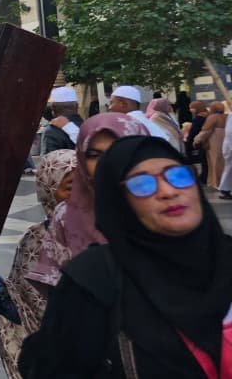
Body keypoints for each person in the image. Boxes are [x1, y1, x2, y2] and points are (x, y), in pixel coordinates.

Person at [19, 136, 232, 377]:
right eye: (142, 184)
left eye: (178, 176)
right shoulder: (96, 279)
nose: (168, 191)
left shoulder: (225, 256)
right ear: (119, 201)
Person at [28, 113, 150, 289]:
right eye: (94, 155)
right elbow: (57, 290)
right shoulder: (67, 215)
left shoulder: (166, 201)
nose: (107, 162)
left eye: (120, 149)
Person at [0, 149, 76, 377]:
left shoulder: (109, 234)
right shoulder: (36, 240)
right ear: (49, 190)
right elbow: (20, 304)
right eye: (70, 186)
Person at [197, 101, 228, 190]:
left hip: (214, 142)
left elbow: (205, 131)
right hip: (225, 142)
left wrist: (197, 140)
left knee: (214, 162)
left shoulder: (213, 117)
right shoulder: (227, 117)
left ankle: (216, 182)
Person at [43, 86, 83, 153]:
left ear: (52, 108)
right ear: (77, 106)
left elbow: (48, 158)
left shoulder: (51, 131)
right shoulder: (89, 126)